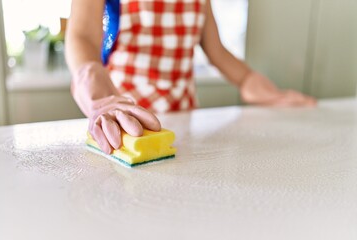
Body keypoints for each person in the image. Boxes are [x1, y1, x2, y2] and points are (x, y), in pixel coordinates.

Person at [65, 0, 316, 154]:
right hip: (126, 128)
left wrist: (263, 89)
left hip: (186, 127)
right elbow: (82, 37)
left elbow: (217, 52)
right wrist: (100, 95)